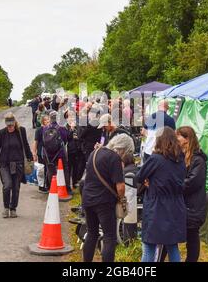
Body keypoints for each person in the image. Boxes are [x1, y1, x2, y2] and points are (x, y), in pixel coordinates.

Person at [137, 126, 187, 262]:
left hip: (157, 207)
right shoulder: (180, 159)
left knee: (149, 246)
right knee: (172, 246)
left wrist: (149, 181)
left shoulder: (156, 159)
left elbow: (139, 176)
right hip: (176, 206)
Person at [82, 134, 134, 262]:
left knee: (92, 233)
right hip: (104, 202)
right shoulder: (114, 158)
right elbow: (121, 187)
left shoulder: (95, 152)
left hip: (88, 198)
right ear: (123, 149)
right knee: (109, 237)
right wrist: (120, 199)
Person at [0, 112, 33, 218]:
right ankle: (6, 208)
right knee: (7, 185)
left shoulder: (21, 131)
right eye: (8, 125)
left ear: (14, 123)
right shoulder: (1, 133)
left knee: (16, 187)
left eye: (11, 125)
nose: (10, 127)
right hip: (4, 163)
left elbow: (26, 145)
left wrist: (30, 158)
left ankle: (13, 208)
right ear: (6, 124)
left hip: (18, 163)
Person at [176, 126, 207, 262]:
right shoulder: (182, 157)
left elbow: (192, 182)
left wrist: (174, 186)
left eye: (179, 136)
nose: (176, 139)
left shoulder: (198, 160)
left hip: (193, 207)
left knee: (192, 236)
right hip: (183, 205)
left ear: (187, 139)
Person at [42, 111, 70, 193]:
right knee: (64, 169)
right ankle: (67, 188)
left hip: (48, 154)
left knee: (50, 170)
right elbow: (65, 140)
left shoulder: (45, 128)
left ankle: (52, 189)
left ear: (50, 119)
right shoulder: (61, 128)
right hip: (60, 153)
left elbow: (43, 141)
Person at [32, 115, 50, 192]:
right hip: (41, 152)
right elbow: (35, 142)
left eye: (49, 120)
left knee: (48, 169)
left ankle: (48, 185)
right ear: (43, 121)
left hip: (49, 153)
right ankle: (41, 186)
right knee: (42, 169)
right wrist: (34, 153)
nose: (48, 122)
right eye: (46, 120)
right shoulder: (39, 130)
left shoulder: (51, 129)